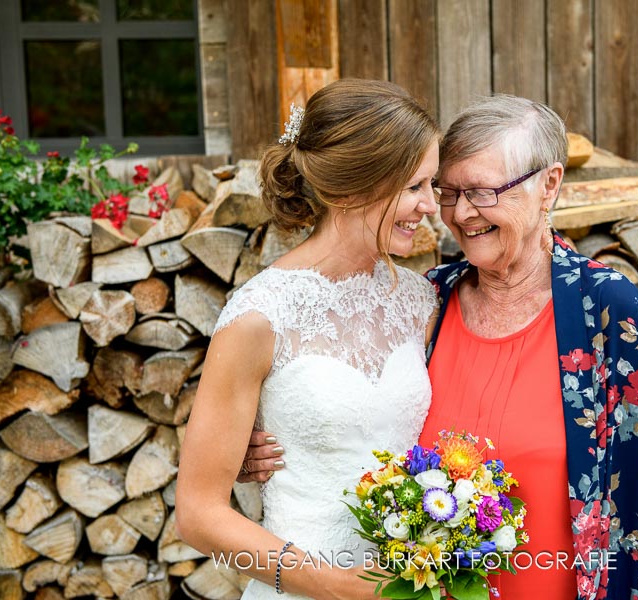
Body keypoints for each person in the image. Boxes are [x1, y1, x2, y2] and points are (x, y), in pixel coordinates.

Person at [244, 94, 638, 599]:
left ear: (548, 185)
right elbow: (360, 413)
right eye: (447, 191)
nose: (460, 214)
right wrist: (270, 435)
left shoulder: (606, 311)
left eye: (483, 192)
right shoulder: (426, 300)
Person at [174, 78, 441, 599]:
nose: (431, 205)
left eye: (432, 186)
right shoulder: (258, 316)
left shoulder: (420, 302)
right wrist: (339, 586)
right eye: (414, 187)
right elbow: (197, 514)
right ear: (351, 187)